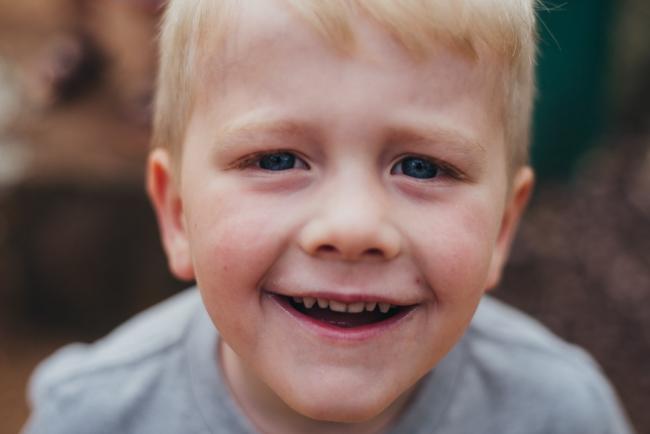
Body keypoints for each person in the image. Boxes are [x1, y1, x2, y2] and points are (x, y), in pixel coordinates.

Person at [23, 1, 635, 433]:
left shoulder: (560, 413)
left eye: (422, 168)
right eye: (278, 158)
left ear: (503, 228)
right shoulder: (93, 417)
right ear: (178, 214)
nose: (352, 227)